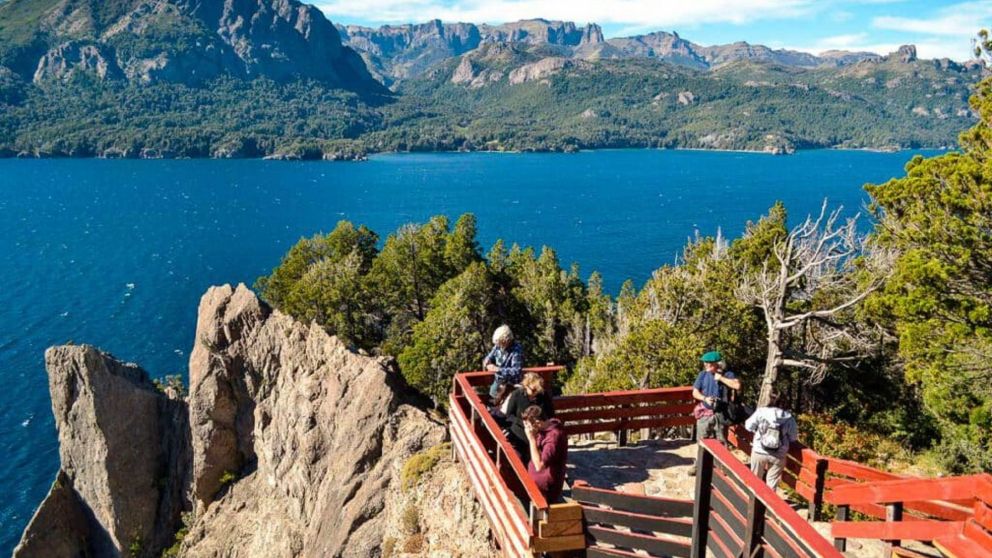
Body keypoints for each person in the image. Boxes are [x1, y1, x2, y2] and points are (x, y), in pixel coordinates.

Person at [744, 390, 798, 491]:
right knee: (772, 482)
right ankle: (767, 505)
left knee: (755, 479)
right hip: (778, 454)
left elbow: (748, 426)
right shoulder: (789, 418)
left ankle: (753, 503)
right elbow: (793, 437)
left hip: (759, 450)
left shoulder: (761, 412)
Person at [692, 350, 741, 446]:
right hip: (705, 413)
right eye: (704, 362)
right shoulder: (703, 374)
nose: (705, 364)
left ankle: (717, 461)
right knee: (702, 442)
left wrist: (721, 378)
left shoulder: (727, 374)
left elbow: (737, 386)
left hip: (721, 414)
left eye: (708, 362)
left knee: (721, 443)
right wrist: (705, 398)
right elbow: (695, 392)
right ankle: (702, 460)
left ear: (717, 364)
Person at [504, 372, 555, 464]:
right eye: (533, 390)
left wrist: (542, 424)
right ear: (526, 385)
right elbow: (509, 415)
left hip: (538, 432)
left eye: (538, 391)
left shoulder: (543, 395)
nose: (535, 393)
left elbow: (551, 415)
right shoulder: (517, 395)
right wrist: (523, 423)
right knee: (521, 459)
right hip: (519, 432)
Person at [522, 405, 568, 502]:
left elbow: (539, 466)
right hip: (536, 478)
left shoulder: (553, 437)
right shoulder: (545, 428)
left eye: (529, 424)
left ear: (538, 422)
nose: (527, 428)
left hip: (545, 486)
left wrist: (531, 439)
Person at [484, 324, 524, 398]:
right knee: (492, 402)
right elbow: (489, 356)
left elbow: (516, 371)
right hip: (498, 381)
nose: (498, 345)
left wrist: (498, 369)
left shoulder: (516, 350)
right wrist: (487, 361)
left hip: (511, 384)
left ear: (507, 340)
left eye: (500, 343)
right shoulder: (497, 346)